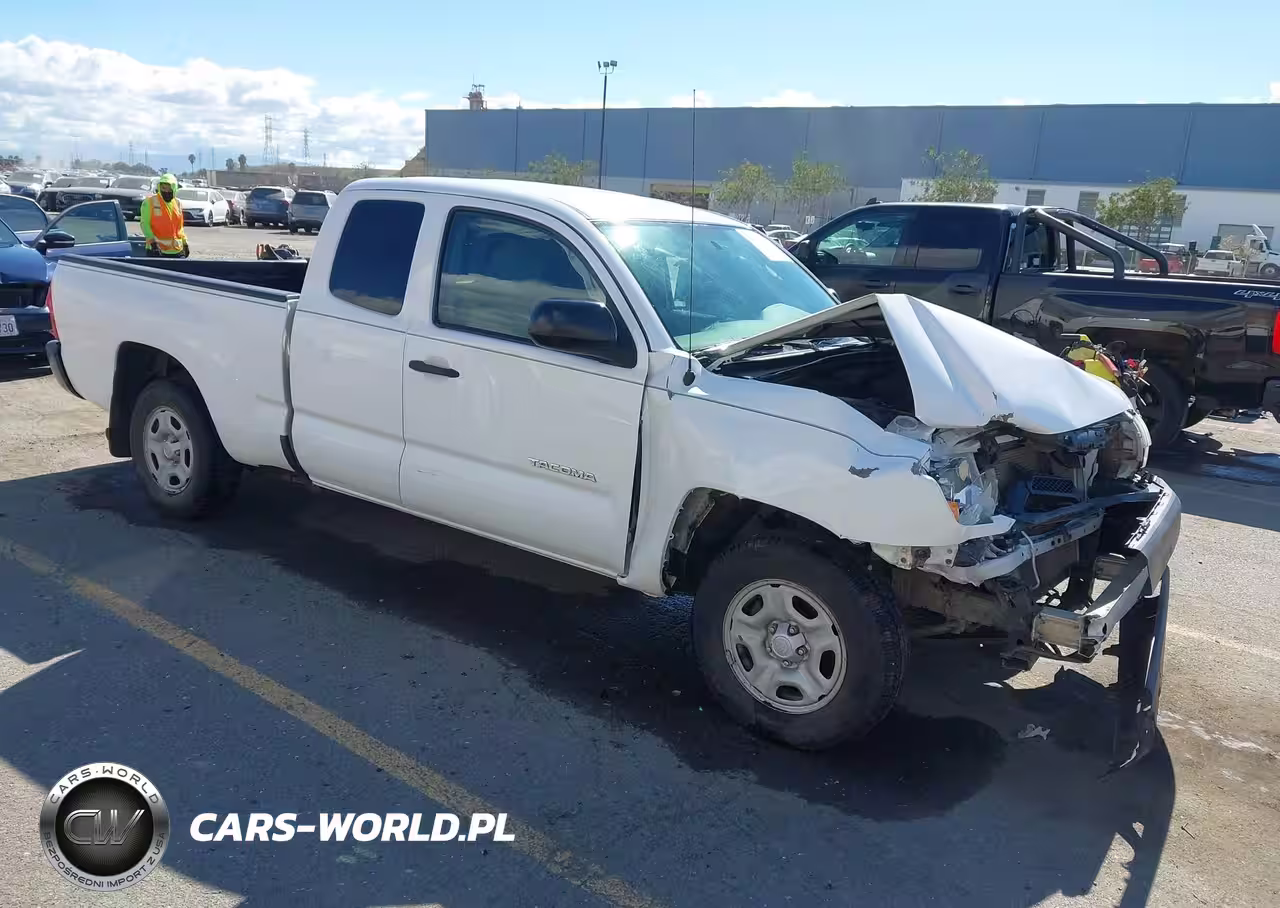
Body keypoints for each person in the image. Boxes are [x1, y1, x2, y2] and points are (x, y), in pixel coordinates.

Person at [141, 173, 189, 257]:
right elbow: (145, 224)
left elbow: (179, 227)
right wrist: (153, 243)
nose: (166, 191)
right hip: (156, 250)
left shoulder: (177, 203)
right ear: (159, 187)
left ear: (174, 188)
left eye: (169, 188)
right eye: (163, 188)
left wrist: (185, 243)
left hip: (177, 250)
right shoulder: (149, 202)